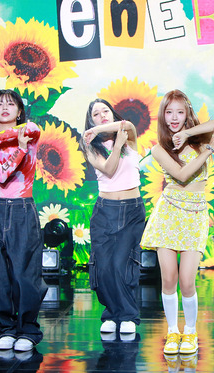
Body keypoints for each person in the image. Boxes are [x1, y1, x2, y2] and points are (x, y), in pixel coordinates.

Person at [140, 89, 214, 355]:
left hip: (196, 214)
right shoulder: (159, 148)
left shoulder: (197, 138)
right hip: (168, 215)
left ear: (187, 112)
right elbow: (183, 175)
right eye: (169, 111)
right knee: (169, 279)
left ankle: (190, 331)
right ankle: (173, 331)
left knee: (188, 280)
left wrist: (189, 134)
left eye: (180, 111)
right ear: (162, 116)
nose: (174, 117)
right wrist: (207, 152)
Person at [0, 89, 48, 352]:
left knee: (25, 273)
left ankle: (28, 330)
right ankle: (6, 328)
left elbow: (26, 131)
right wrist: (15, 149)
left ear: (19, 111)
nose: (5, 108)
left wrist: (5, 142)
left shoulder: (29, 130)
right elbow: (3, 175)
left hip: (22, 208)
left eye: (11, 104)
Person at [81, 98, 145, 336]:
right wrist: (115, 145)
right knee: (105, 266)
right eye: (96, 114)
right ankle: (110, 313)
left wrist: (100, 130)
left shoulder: (129, 136)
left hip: (132, 210)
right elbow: (108, 169)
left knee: (123, 263)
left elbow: (126, 125)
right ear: (90, 120)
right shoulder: (91, 147)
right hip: (105, 210)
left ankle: (128, 315)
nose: (102, 116)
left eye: (105, 111)